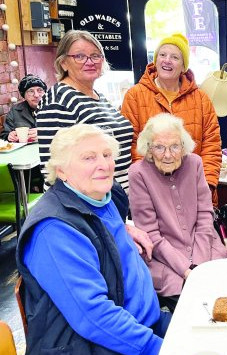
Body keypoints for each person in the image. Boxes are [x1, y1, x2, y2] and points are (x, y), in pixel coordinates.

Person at [15, 124, 168, 354]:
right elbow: (94, 317)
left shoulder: (102, 194)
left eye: (107, 155)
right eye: (88, 158)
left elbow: (100, 231)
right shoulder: (53, 230)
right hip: (102, 344)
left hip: (145, 323)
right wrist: (161, 348)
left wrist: (127, 229)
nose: (104, 165)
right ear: (62, 171)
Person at [36, 30, 153, 258]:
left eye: (95, 55)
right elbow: (53, 170)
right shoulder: (58, 99)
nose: (90, 62)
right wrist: (100, 222)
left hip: (113, 207)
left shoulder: (97, 96)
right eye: (80, 56)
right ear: (63, 63)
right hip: (89, 215)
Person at [129, 113, 227, 312]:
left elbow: (204, 217)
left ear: (183, 146)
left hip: (205, 247)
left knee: (224, 300)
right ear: (148, 148)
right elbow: (151, 236)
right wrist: (186, 269)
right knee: (191, 310)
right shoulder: (138, 173)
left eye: (174, 146)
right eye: (159, 147)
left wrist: (199, 266)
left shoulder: (195, 163)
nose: (168, 155)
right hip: (166, 261)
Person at [121, 33, 222, 205]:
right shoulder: (135, 96)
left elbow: (212, 146)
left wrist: (205, 185)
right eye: (162, 55)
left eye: (174, 57)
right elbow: (131, 146)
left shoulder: (201, 99)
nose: (166, 60)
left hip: (195, 192)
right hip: (152, 195)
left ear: (183, 66)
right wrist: (149, 186)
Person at [1, 74, 46, 142]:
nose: (36, 95)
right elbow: (4, 135)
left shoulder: (54, 108)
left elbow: (65, 132)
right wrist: (9, 136)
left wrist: (45, 133)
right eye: (31, 91)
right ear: (24, 96)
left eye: (40, 90)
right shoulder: (15, 111)